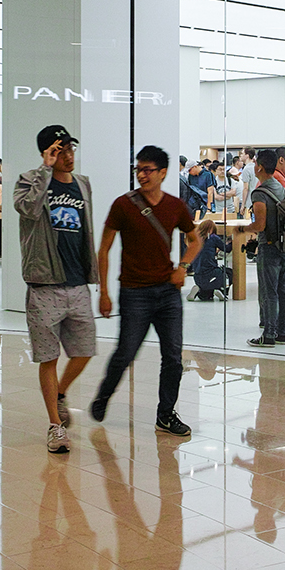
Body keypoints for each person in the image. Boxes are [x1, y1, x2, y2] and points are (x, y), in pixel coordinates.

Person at [88, 145, 204, 437]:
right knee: (126, 352)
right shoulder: (123, 205)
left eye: (147, 170)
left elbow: (195, 240)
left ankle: (166, 415)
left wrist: (183, 266)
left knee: (173, 357)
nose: (141, 175)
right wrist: (104, 292)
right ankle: (104, 395)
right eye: (138, 169)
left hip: (168, 293)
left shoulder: (175, 206)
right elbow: (104, 249)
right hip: (134, 292)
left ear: (163, 173)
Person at [15, 125, 97, 455]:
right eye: (59, 151)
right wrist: (44, 171)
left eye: (69, 149)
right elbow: (28, 209)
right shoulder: (28, 180)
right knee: (48, 358)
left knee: (84, 350)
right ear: (46, 153)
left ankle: (60, 392)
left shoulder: (83, 183)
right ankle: (55, 425)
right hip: (44, 284)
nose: (67, 156)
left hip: (77, 282)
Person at [247, 148, 285, 348]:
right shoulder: (281, 186)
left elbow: (259, 225)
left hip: (269, 246)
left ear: (260, 167)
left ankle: (268, 334)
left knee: (269, 291)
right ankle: (281, 333)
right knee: (283, 290)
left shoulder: (260, 192)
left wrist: (242, 229)